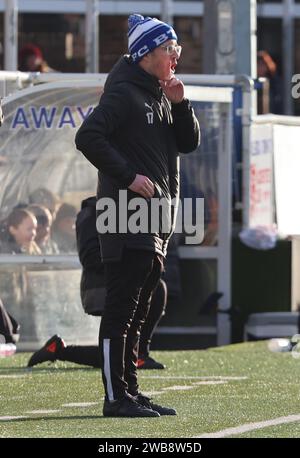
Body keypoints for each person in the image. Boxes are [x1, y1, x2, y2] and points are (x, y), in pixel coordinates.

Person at [75, 13, 200, 418]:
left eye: (176, 50)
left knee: (140, 309)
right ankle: (115, 398)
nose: (175, 57)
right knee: (121, 310)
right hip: (124, 218)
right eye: (170, 50)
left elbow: (188, 143)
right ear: (146, 53)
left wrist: (182, 105)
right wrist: (129, 177)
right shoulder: (123, 92)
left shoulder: (161, 93)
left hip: (154, 220)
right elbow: (87, 137)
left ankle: (130, 390)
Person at [27, 278, 167, 369]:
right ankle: (59, 350)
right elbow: (90, 254)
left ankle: (139, 352)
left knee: (156, 286)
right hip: (101, 282)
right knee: (118, 357)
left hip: (115, 279)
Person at [257, 50, 283, 115]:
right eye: (258, 64)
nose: (260, 68)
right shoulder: (249, 82)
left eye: (263, 64)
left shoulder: (274, 82)